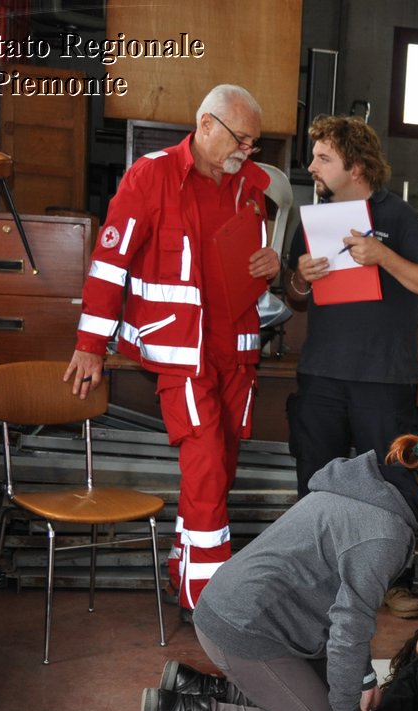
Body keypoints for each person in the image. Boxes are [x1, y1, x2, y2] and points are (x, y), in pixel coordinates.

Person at [139, 430, 418, 711]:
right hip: (243, 628)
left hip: (245, 608)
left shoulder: (373, 488)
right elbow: (347, 632)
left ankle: (203, 686)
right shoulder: (384, 532)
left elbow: (344, 607)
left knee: (338, 703)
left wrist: (363, 678)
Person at [65, 84, 280, 622]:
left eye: (254, 143)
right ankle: (209, 606)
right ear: (205, 123)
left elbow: (249, 264)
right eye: (240, 138)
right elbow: (110, 264)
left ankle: (187, 570)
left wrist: (270, 266)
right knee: (206, 465)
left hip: (235, 353)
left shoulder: (252, 187)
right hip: (180, 351)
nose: (246, 151)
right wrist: (91, 345)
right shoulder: (151, 176)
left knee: (220, 468)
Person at [285, 116, 418, 621]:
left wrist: (383, 254)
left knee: (396, 480)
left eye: (323, 158)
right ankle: (316, 580)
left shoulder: (399, 217)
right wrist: (301, 280)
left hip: (385, 378)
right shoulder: (313, 219)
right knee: (315, 481)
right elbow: (295, 299)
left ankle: (394, 582)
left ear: (355, 166)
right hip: (322, 375)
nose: (311, 166)